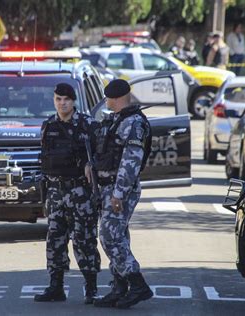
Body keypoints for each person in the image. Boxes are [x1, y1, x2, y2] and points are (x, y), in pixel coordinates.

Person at [34, 83, 101, 304]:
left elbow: (102, 155)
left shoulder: (87, 125)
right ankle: (56, 287)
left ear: (73, 101)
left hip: (80, 192)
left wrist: (90, 165)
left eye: (66, 99)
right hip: (55, 192)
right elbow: (44, 158)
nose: (62, 103)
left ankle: (91, 288)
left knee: (84, 240)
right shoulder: (48, 126)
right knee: (55, 240)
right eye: (58, 99)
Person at [91, 79, 153, 309]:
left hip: (120, 190)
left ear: (116, 98)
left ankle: (138, 285)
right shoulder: (119, 120)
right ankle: (119, 287)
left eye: (108, 98)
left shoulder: (134, 123)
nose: (106, 102)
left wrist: (118, 193)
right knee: (119, 237)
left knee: (110, 237)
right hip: (109, 187)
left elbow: (131, 162)